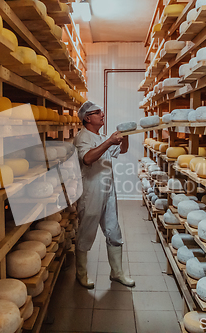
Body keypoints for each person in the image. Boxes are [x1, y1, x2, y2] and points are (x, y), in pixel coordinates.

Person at [72, 100, 135, 289]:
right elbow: (87, 158)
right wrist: (108, 141)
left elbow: (122, 150)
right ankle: (81, 274)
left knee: (114, 231)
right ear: (88, 118)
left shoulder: (101, 137)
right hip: (91, 191)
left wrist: (125, 135)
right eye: (98, 112)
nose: (102, 115)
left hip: (108, 190)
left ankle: (117, 273)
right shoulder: (83, 137)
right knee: (87, 232)